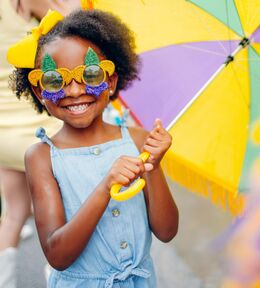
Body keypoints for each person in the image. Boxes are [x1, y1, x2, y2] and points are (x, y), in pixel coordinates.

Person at [7, 7, 179, 288]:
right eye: (55, 80)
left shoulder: (137, 141)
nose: (75, 91)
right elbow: (57, 255)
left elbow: (167, 231)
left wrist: (154, 168)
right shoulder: (41, 157)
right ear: (39, 91)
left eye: (90, 75)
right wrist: (105, 187)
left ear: (111, 81)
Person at [0, 1, 80, 287]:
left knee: (13, 214)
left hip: (3, 132)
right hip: (38, 128)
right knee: (56, 216)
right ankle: (58, 280)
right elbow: (76, 21)